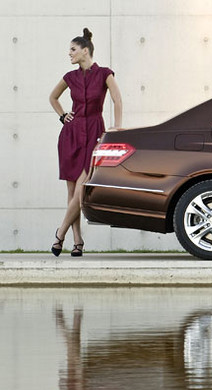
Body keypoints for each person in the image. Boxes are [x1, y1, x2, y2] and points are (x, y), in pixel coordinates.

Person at [49, 28, 122, 257]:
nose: (69, 54)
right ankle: (78, 241)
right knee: (72, 193)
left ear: (85, 50)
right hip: (71, 134)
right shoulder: (69, 77)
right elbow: (53, 97)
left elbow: (117, 100)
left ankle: (59, 234)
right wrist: (63, 116)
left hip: (94, 132)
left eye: (73, 49)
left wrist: (117, 129)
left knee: (82, 188)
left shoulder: (104, 74)